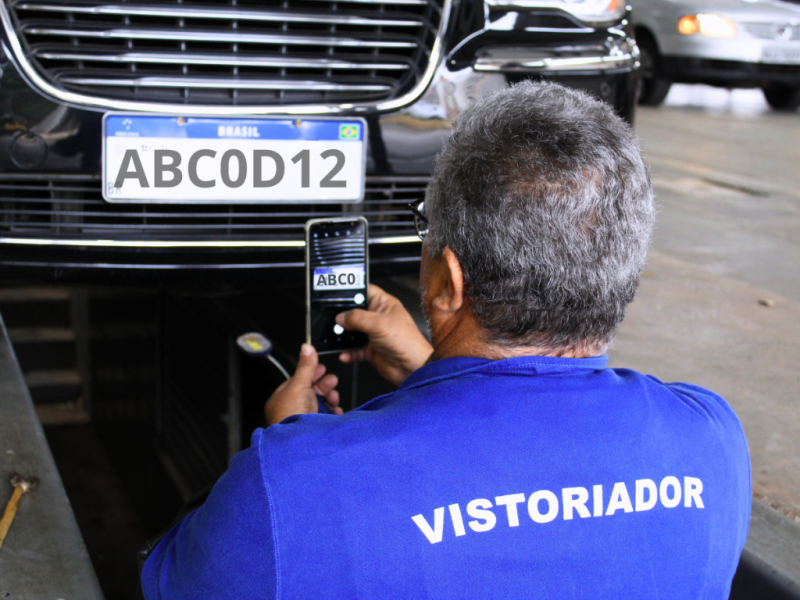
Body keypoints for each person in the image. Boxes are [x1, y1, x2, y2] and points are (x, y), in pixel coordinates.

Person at [141, 81, 750, 599]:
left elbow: (175, 577)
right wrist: (434, 370)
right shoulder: (711, 437)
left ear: (446, 280)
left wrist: (281, 446)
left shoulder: (287, 489)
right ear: (621, 264)